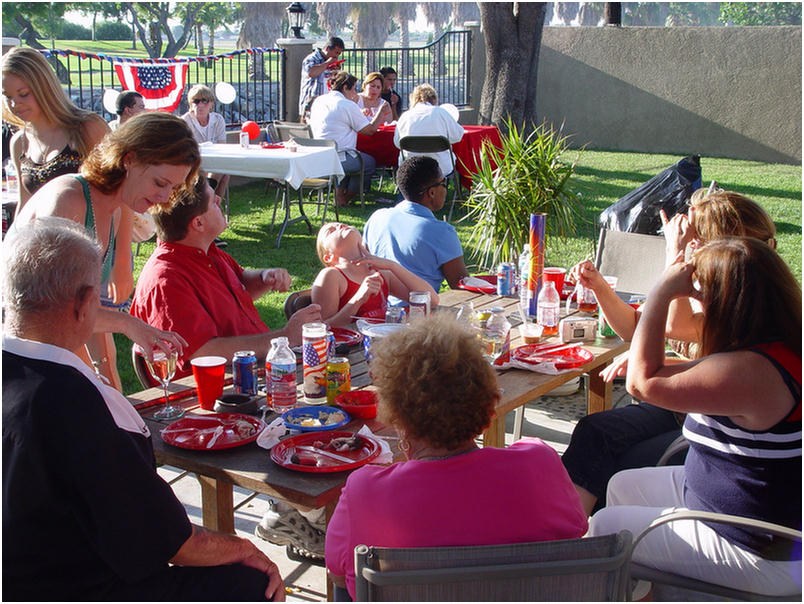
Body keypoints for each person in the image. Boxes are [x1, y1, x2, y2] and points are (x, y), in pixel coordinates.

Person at [2, 217, 286, 601]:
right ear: (86, 304)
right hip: (79, 587)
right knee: (252, 583)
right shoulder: (75, 403)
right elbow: (173, 542)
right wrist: (249, 551)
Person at [588, 237, 801, 597]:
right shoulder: (772, 351)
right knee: (623, 486)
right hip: (743, 511)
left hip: (759, 548)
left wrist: (662, 291)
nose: (698, 307)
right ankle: (648, 593)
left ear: (730, 305)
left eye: (701, 296)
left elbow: (643, 383)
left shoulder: (751, 372)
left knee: (607, 527)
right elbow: (688, 372)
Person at [325, 315, 589, 600]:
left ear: (396, 414)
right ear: (488, 407)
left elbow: (339, 575)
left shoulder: (365, 491)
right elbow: (576, 529)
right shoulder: (540, 463)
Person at [562, 188, 780, 515]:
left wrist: (674, 257)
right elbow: (639, 329)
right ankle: (565, 531)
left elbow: (672, 328)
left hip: (709, 426)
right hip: (686, 407)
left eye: (696, 236)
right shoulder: (710, 284)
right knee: (594, 434)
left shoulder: (740, 300)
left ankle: (571, 537)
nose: (689, 241)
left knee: (611, 458)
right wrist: (600, 288)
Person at [10, 111, 197, 390]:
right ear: (129, 159)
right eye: (160, 183)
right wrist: (129, 326)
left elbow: (81, 311)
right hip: (22, 360)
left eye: (173, 187)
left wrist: (107, 381)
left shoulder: (113, 208)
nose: (164, 197)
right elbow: (57, 314)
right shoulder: (69, 201)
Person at [130, 175, 322, 379]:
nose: (220, 201)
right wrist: (284, 337)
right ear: (198, 223)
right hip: (216, 390)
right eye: (213, 201)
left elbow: (239, 285)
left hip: (250, 372)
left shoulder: (205, 251)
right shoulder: (165, 279)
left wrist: (264, 277)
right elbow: (203, 351)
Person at [2, 46, 109, 217]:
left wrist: (120, 244)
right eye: (8, 96)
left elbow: (119, 197)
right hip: (42, 240)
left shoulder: (87, 127)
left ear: (44, 87)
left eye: (23, 94)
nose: (15, 104)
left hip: (90, 239)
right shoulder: (20, 143)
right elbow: (24, 205)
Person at [363, 156, 469, 299]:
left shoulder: (377, 217)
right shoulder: (442, 232)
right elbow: (461, 285)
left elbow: (365, 265)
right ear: (431, 192)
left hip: (376, 309)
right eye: (444, 183)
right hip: (419, 312)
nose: (446, 188)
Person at [312, 221, 439, 326]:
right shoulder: (331, 276)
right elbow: (323, 328)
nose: (339, 225)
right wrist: (359, 298)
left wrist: (392, 266)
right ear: (328, 257)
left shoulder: (382, 274)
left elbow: (432, 300)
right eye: (331, 231)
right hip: (353, 353)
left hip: (385, 342)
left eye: (341, 223)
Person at [309, 71, 391, 207]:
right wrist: (381, 113)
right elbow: (369, 130)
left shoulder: (319, 101)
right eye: (353, 88)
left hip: (318, 155)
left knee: (354, 156)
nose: (355, 92)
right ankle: (344, 197)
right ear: (345, 88)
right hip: (340, 157)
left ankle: (340, 193)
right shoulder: (346, 104)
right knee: (369, 163)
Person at [393, 83, 464, 180]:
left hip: (411, 166)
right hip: (440, 166)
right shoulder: (441, 112)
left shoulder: (405, 116)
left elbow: (397, 143)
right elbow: (458, 136)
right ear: (434, 98)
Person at [182, 84, 229, 198]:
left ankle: (213, 203)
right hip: (193, 161)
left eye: (205, 101)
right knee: (201, 172)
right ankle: (208, 199)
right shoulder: (185, 121)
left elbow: (222, 145)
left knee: (226, 170)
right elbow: (185, 149)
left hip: (213, 159)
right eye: (196, 101)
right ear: (190, 104)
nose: (200, 105)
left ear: (211, 104)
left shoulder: (218, 120)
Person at [298, 36, 345, 116]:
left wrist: (336, 71)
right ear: (327, 49)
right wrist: (327, 63)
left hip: (327, 105)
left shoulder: (331, 61)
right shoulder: (311, 59)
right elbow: (311, 72)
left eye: (339, 54)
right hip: (311, 103)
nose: (336, 56)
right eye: (336, 53)